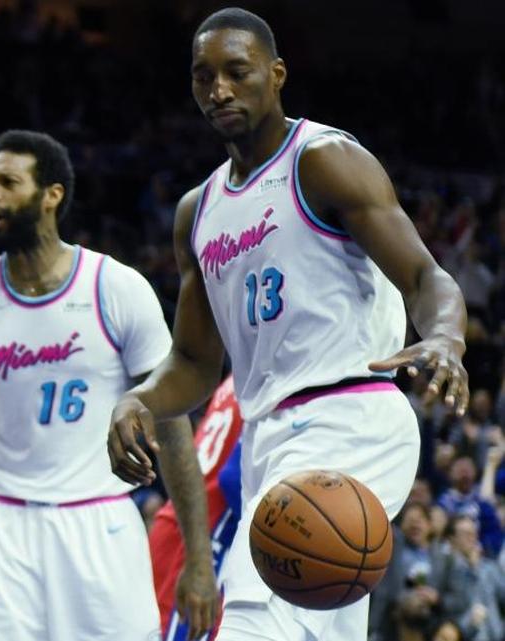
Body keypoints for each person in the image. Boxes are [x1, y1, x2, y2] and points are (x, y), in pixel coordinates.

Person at [108, 7, 469, 641]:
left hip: (349, 417)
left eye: (237, 72)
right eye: (203, 77)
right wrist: (138, 399)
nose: (218, 89)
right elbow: (194, 365)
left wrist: (444, 335)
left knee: (252, 617)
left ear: (275, 75)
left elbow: (424, 276)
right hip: (268, 437)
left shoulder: (324, 160)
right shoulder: (197, 211)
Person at [0, 130, 216, 641]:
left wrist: (199, 558)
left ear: (51, 195)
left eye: (9, 182)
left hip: (98, 522)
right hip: (0, 528)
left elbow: (172, 431)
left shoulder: (116, 289)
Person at [150, 375, 244, 641]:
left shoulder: (241, 373)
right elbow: (233, 478)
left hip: (179, 525)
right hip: (203, 539)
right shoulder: (284, 376)